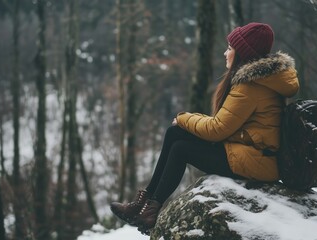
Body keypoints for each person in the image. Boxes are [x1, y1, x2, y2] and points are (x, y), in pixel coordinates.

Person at [110, 22, 299, 235]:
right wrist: (183, 123)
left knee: (181, 148)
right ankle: (143, 205)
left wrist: (183, 118)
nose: (225, 52)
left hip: (257, 161)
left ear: (242, 53)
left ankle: (150, 211)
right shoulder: (259, 81)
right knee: (175, 133)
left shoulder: (250, 86)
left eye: (230, 48)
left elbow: (217, 129)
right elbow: (224, 124)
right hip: (249, 151)